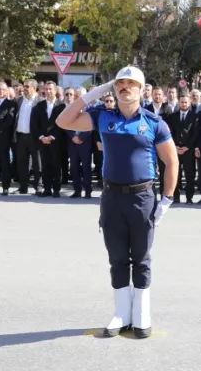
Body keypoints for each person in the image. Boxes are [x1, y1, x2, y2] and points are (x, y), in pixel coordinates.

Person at [56, 66, 178, 339]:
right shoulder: (101, 116)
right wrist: (92, 95)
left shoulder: (154, 122)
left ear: (141, 89)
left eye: (130, 83)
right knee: (118, 258)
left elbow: (171, 162)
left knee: (142, 259)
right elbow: (64, 121)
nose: (125, 87)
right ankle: (121, 313)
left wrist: (167, 200)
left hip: (142, 197)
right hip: (111, 197)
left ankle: (142, 314)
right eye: (120, 83)